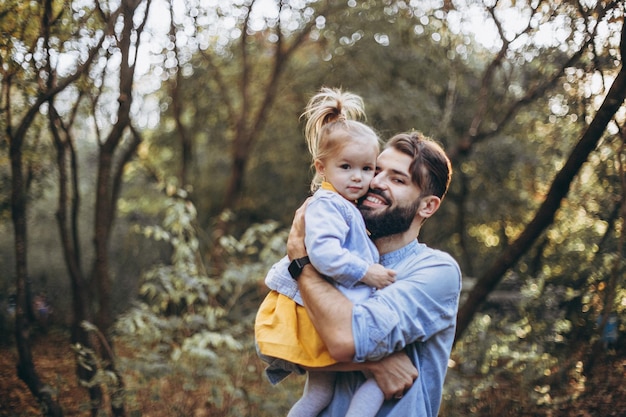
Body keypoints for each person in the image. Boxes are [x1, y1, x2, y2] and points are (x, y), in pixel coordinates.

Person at [265, 130, 462, 416]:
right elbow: (284, 346)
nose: (375, 182)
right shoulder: (337, 255)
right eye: (376, 170)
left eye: (396, 179)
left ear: (427, 206)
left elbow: (345, 339)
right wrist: (374, 362)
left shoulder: (436, 271)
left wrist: (300, 260)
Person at [255, 87, 397, 417]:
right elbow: (323, 254)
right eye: (346, 167)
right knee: (379, 376)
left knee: (318, 395)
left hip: (321, 309)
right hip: (318, 313)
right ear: (321, 167)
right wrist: (368, 272)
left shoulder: (344, 205)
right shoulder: (327, 204)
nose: (358, 177)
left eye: (367, 168)